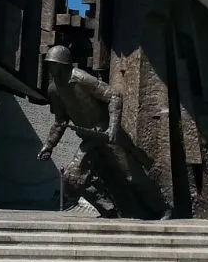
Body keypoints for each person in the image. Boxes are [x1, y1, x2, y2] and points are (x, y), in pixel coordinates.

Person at [37, 45, 172, 219]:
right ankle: (109, 210)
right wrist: (48, 146)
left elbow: (113, 95)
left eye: (53, 64)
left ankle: (163, 208)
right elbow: (60, 121)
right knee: (72, 178)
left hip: (105, 133)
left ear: (63, 64)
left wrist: (113, 127)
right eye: (49, 64)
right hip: (89, 139)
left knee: (132, 176)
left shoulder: (80, 78)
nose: (51, 67)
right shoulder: (54, 90)